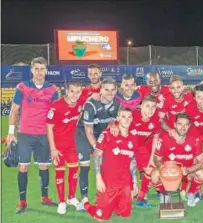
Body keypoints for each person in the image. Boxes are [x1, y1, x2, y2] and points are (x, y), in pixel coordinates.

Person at [7, 57, 59, 214]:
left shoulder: (52, 89)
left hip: (44, 134)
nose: (39, 72)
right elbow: (14, 109)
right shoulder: (22, 87)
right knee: (23, 166)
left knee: (44, 165)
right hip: (25, 133)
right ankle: (22, 201)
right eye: (36, 69)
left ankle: (45, 197)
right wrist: (10, 133)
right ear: (31, 70)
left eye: (42, 69)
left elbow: (56, 112)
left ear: (46, 70)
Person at [83, 107, 138, 221]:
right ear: (118, 118)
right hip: (109, 184)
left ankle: (113, 203)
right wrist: (99, 178)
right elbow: (96, 156)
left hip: (125, 184)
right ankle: (86, 204)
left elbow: (132, 162)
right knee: (101, 217)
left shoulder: (133, 137)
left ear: (132, 119)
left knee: (125, 215)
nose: (127, 120)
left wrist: (134, 183)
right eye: (123, 117)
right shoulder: (107, 134)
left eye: (129, 117)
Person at [76, 77, 120, 209]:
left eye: (113, 90)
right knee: (85, 165)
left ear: (116, 90)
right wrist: (97, 149)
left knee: (105, 165)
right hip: (83, 134)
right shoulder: (91, 104)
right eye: (106, 89)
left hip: (100, 135)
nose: (110, 93)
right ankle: (84, 200)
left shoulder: (117, 103)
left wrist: (113, 125)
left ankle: (101, 197)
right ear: (101, 89)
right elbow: (88, 130)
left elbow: (112, 120)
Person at [46, 81, 85, 214]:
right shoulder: (56, 106)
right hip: (58, 147)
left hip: (71, 146)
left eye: (78, 91)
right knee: (60, 173)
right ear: (66, 91)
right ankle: (61, 201)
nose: (75, 94)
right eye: (72, 91)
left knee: (74, 172)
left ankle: (71, 197)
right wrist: (52, 149)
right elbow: (49, 128)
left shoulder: (80, 103)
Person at [152, 113, 203, 207]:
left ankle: (191, 193)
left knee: (201, 173)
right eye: (180, 124)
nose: (183, 127)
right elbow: (157, 159)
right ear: (175, 125)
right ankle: (164, 195)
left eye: (186, 125)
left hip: (186, 172)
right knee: (154, 174)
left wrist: (189, 170)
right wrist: (163, 168)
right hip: (170, 172)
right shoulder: (164, 139)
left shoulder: (194, 140)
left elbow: (202, 162)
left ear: (189, 126)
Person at [130, 95, 162, 208]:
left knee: (149, 169)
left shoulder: (155, 120)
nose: (150, 109)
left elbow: (155, 139)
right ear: (141, 106)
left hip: (143, 148)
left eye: (153, 107)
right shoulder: (132, 116)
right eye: (147, 106)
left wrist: (151, 159)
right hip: (128, 147)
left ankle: (142, 197)